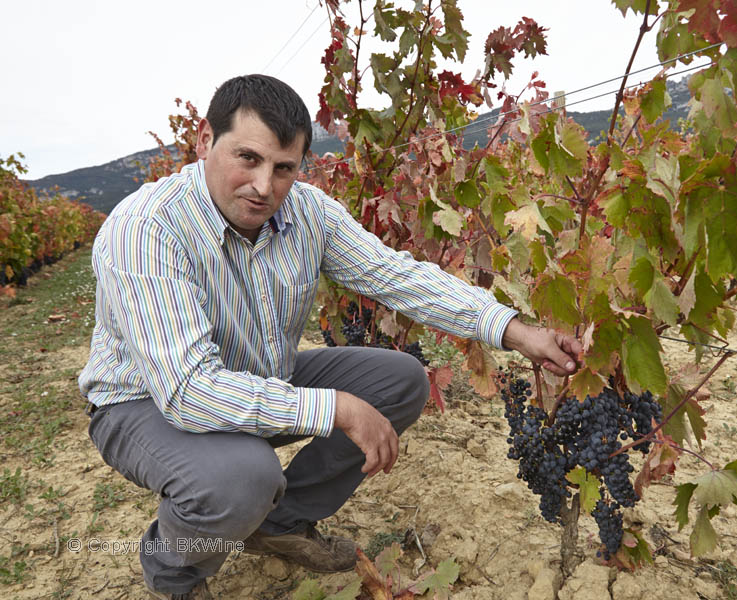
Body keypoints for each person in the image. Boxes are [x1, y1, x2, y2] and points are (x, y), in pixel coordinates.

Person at [78, 74, 581, 600]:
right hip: (145, 403)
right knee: (242, 480)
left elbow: (397, 276)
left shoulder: (307, 213)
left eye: (284, 168)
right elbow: (188, 393)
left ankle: (279, 526)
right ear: (205, 141)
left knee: (402, 381)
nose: (264, 187)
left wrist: (514, 330)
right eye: (247, 158)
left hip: (258, 378)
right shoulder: (146, 228)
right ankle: (172, 571)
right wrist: (337, 408)